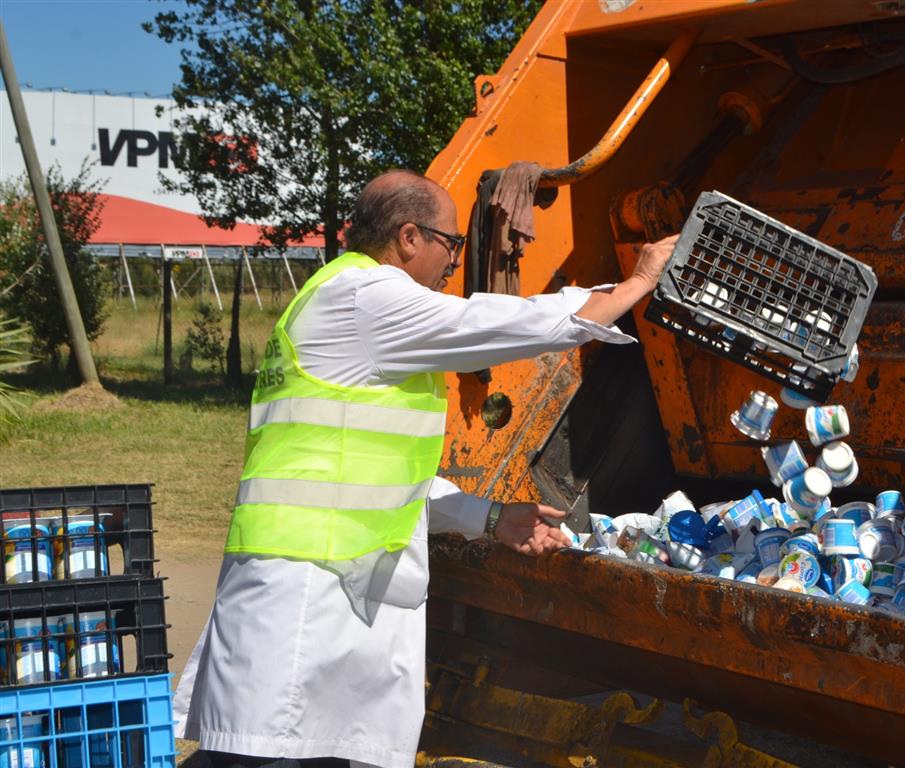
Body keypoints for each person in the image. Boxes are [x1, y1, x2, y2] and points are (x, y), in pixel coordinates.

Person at [173, 169, 677, 768]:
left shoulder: (340, 298)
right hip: (305, 601)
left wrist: (491, 518)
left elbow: (382, 472)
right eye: (452, 243)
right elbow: (491, 324)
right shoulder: (367, 298)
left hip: (314, 589)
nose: (456, 261)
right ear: (409, 238)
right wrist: (633, 285)